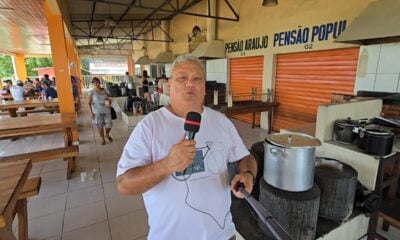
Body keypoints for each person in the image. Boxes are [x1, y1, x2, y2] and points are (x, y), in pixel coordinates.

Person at [116, 54, 257, 240]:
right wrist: (166, 165)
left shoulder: (221, 122)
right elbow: (124, 185)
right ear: (169, 84)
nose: (190, 84)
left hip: (222, 235)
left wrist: (247, 174)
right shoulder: (149, 127)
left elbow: (244, 157)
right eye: (182, 78)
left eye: (197, 79)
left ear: (204, 87)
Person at [88, 77, 113, 145]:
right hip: (97, 112)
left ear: (99, 82)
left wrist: (109, 101)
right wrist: (91, 112)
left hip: (106, 110)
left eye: (97, 82)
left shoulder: (105, 90)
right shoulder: (91, 92)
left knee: (109, 125)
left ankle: (107, 134)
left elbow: (109, 97)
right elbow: (89, 103)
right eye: (94, 82)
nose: (96, 84)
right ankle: (102, 139)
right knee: (100, 126)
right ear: (92, 84)